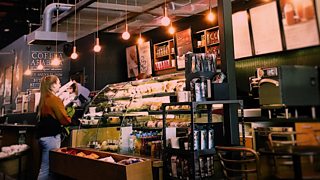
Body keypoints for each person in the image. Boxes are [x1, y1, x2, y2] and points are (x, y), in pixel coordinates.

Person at [37, 75, 71, 180]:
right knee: (47, 169)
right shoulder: (54, 99)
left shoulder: (44, 99)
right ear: (52, 85)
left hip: (43, 137)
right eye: (58, 83)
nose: (60, 85)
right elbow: (64, 119)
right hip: (51, 137)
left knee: (49, 168)